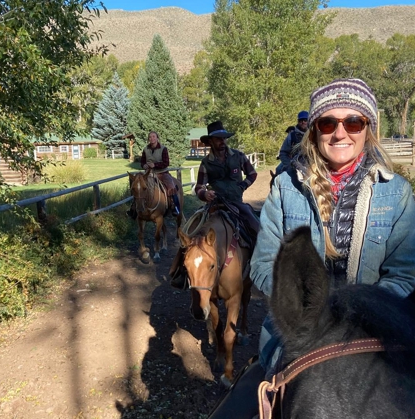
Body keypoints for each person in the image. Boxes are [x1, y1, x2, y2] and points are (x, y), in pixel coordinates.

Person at [207, 78, 415, 419]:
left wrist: (357, 313)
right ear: (314, 130)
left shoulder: (395, 193)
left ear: (367, 128)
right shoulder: (285, 188)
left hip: (372, 335)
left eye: (353, 122)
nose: (340, 133)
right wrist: (305, 307)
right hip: (295, 335)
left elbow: (407, 275)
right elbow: (263, 264)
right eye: (328, 122)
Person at [168, 121, 260, 289]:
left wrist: (242, 185)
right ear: (210, 141)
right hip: (214, 205)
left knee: (256, 226)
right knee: (189, 233)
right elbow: (199, 187)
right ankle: (179, 272)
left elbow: (252, 173)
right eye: (218, 139)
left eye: (223, 138)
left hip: (236, 203)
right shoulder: (206, 163)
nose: (222, 142)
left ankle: (260, 264)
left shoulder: (238, 156)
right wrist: (205, 194)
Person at [127, 131, 180, 219]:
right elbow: (143, 161)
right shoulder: (145, 149)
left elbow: (166, 162)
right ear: (148, 139)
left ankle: (174, 206)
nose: (152, 138)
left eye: (153, 136)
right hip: (148, 174)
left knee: (171, 186)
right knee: (137, 187)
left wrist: (155, 165)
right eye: (150, 137)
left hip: (162, 173)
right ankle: (134, 208)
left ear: (157, 138)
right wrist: (143, 165)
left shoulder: (163, 149)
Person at [275, 110, 309, 175]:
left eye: (305, 120)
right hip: (295, 165)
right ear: (298, 121)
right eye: (300, 120)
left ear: (309, 120)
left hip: (312, 166)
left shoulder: (315, 134)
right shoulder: (292, 135)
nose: (303, 122)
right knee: (278, 170)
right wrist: (289, 165)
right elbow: (283, 153)